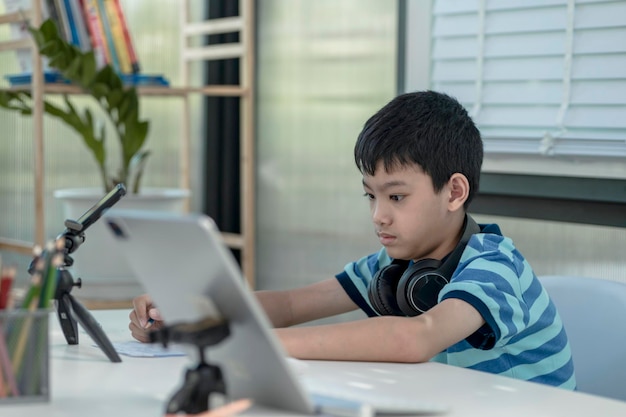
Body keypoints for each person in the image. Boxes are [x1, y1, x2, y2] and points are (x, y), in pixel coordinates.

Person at [129, 91, 576, 390]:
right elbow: (288, 306)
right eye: (371, 195)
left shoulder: (495, 265)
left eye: (397, 196)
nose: (379, 215)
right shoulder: (391, 267)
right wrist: (189, 315)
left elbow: (416, 339)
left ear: (454, 192)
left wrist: (246, 340)